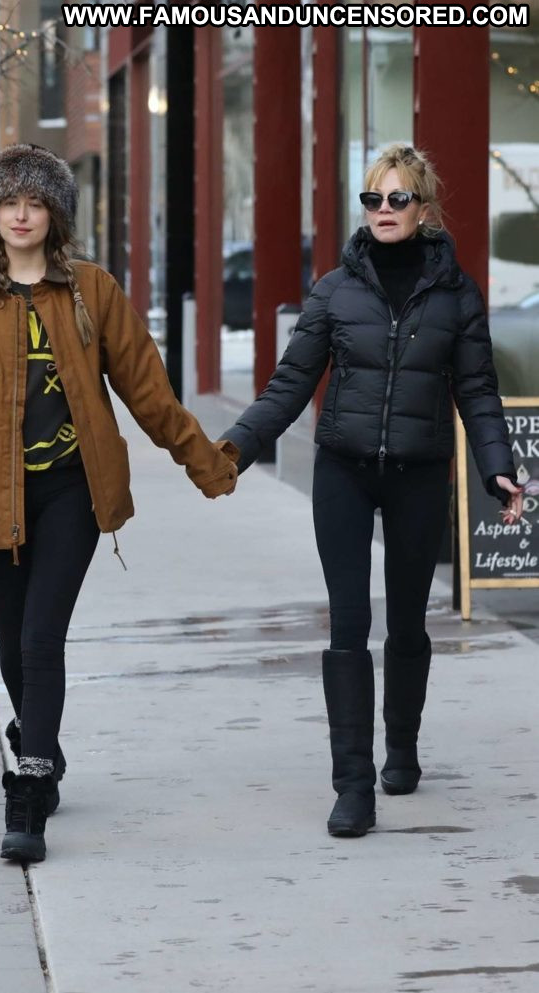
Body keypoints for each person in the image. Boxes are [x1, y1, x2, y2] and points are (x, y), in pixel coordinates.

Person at [0, 144, 238, 862]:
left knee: (39, 638)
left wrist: (203, 461)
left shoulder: (93, 290)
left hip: (72, 490)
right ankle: (44, 743)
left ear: (55, 214)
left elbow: (148, 389)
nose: (22, 215)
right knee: (13, 649)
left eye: (35, 202)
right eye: (9, 203)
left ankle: (28, 789)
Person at [219, 144, 522, 838]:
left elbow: (477, 390)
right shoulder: (334, 290)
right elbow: (289, 384)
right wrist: (235, 447)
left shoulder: (457, 293)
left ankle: (402, 744)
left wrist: (497, 467)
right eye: (372, 199)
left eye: (397, 199)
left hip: (420, 474)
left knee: (408, 623)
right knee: (349, 622)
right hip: (344, 473)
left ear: (424, 208)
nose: (383, 210)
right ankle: (353, 784)